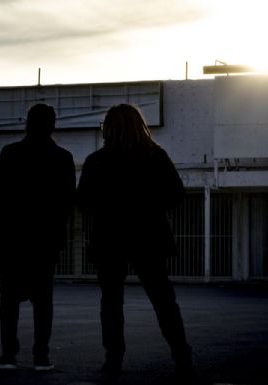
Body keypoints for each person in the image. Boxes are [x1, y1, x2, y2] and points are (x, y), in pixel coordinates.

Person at [76, 104, 193, 381]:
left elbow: (83, 202)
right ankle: (181, 354)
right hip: (149, 236)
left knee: (111, 302)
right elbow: (176, 193)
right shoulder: (156, 156)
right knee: (163, 300)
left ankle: (113, 357)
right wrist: (150, 208)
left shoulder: (97, 161)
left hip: (110, 238)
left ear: (108, 128)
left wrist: (109, 207)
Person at [0, 103, 76, 371]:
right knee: (43, 298)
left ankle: (8, 354)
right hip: (45, 238)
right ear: (53, 125)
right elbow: (67, 201)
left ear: (26, 123)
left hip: (13, 235)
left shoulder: (9, 153)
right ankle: (41, 355)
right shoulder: (62, 157)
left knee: (9, 297)